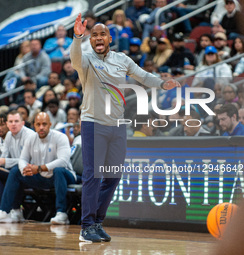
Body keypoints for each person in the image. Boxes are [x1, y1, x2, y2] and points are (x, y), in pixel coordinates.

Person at [71, 13, 180, 242]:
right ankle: (86, 226)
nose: (98, 38)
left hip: (117, 126)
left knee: (113, 176)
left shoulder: (122, 59)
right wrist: (77, 37)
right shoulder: (87, 59)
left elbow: (142, 76)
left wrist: (162, 83)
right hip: (93, 123)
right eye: (94, 35)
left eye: (102, 34)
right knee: (93, 175)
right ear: (91, 40)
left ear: (110, 38)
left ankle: (97, 222)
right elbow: (74, 60)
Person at [0, 112, 76, 224]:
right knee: (15, 171)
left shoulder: (60, 137)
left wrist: (39, 168)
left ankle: (61, 213)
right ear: (34, 125)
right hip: (42, 178)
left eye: (44, 124)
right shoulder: (31, 138)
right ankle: (5, 211)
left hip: (65, 176)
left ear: (50, 124)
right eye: (38, 124)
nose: (41, 127)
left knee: (58, 171)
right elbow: (23, 159)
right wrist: (25, 169)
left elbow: (63, 162)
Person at [0, 111, 34, 222]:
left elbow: (29, 162)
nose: (13, 124)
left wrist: (3, 161)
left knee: (14, 172)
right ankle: (3, 210)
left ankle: (5, 211)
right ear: (8, 124)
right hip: (16, 172)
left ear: (22, 123)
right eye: (11, 122)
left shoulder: (30, 135)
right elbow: (5, 158)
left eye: (16, 121)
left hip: (32, 173)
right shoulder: (9, 135)